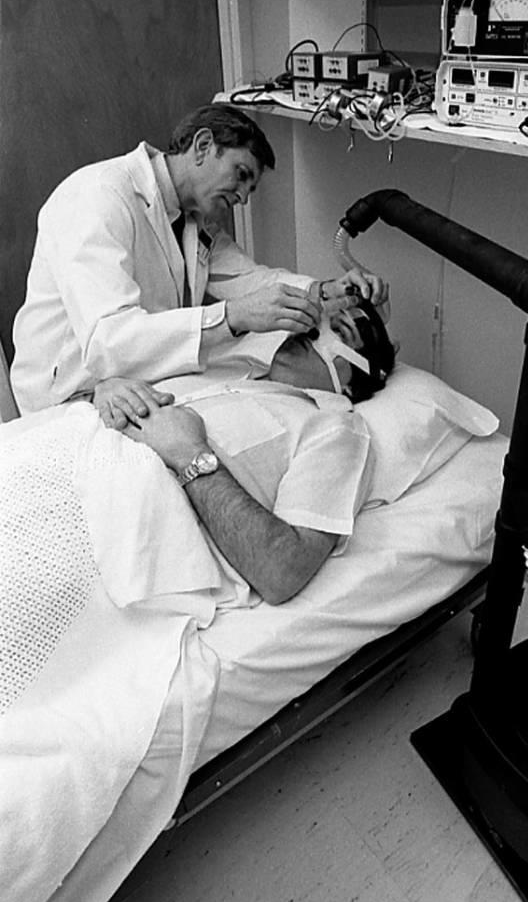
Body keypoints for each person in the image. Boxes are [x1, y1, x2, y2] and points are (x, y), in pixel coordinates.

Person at [10, 103, 388, 415]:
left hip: (130, 380)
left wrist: (326, 291)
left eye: (250, 189)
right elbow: (109, 341)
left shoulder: (193, 222)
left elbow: (251, 280)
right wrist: (231, 317)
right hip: (67, 394)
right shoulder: (97, 197)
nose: (242, 197)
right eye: (241, 176)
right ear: (204, 146)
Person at [93, 298, 397, 605]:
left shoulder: (335, 430)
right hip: (71, 442)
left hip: (106, 523)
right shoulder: (230, 367)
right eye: (318, 320)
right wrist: (108, 390)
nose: (314, 331)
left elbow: (281, 572)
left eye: (339, 332)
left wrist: (191, 456)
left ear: (352, 385)